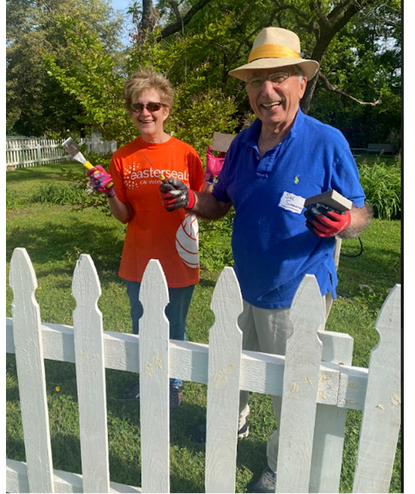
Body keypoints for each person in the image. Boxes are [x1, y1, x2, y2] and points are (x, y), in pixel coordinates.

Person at [158, 27, 372, 493]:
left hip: (299, 288)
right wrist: (190, 199)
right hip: (245, 283)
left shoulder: (326, 140)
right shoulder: (241, 143)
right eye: (257, 81)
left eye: (279, 78)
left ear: (300, 82)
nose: (267, 91)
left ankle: (277, 466)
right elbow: (220, 203)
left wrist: (344, 223)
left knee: (288, 387)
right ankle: (234, 426)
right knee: (234, 368)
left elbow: (361, 211)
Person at [86, 68, 208, 410]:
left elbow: (203, 202)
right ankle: (147, 379)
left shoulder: (186, 154)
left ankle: (173, 384)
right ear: (131, 111)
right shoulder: (123, 157)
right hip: (139, 256)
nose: (145, 113)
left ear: (166, 109)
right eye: (137, 106)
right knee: (142, 324)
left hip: (180, 254)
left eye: (153, 106)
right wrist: (109, 193)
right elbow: (125, 215)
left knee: (176, 325)